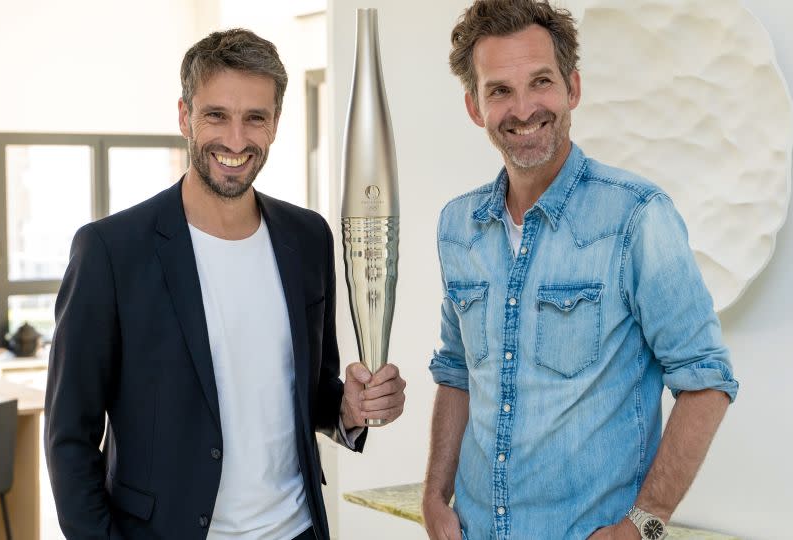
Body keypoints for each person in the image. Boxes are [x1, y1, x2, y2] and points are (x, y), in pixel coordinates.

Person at [45, 28, 406, 540]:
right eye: (216, 115)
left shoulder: (308, 238)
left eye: (254, 118)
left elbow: (311, 389)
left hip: (297, 531)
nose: (236, 140)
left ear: (275, 123)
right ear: (184, 116)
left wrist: (349, 409)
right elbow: (68, 437)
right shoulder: (110, 251)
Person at [422, 2, 739, 539]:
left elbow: (706, 380)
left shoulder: (637, 217)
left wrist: (643, 526)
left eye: (540, 82)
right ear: (475, 105)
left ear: (572, 87)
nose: (523, 108)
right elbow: (457, 372)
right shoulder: (458, 225)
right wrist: (433, 496)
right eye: (499, 90)